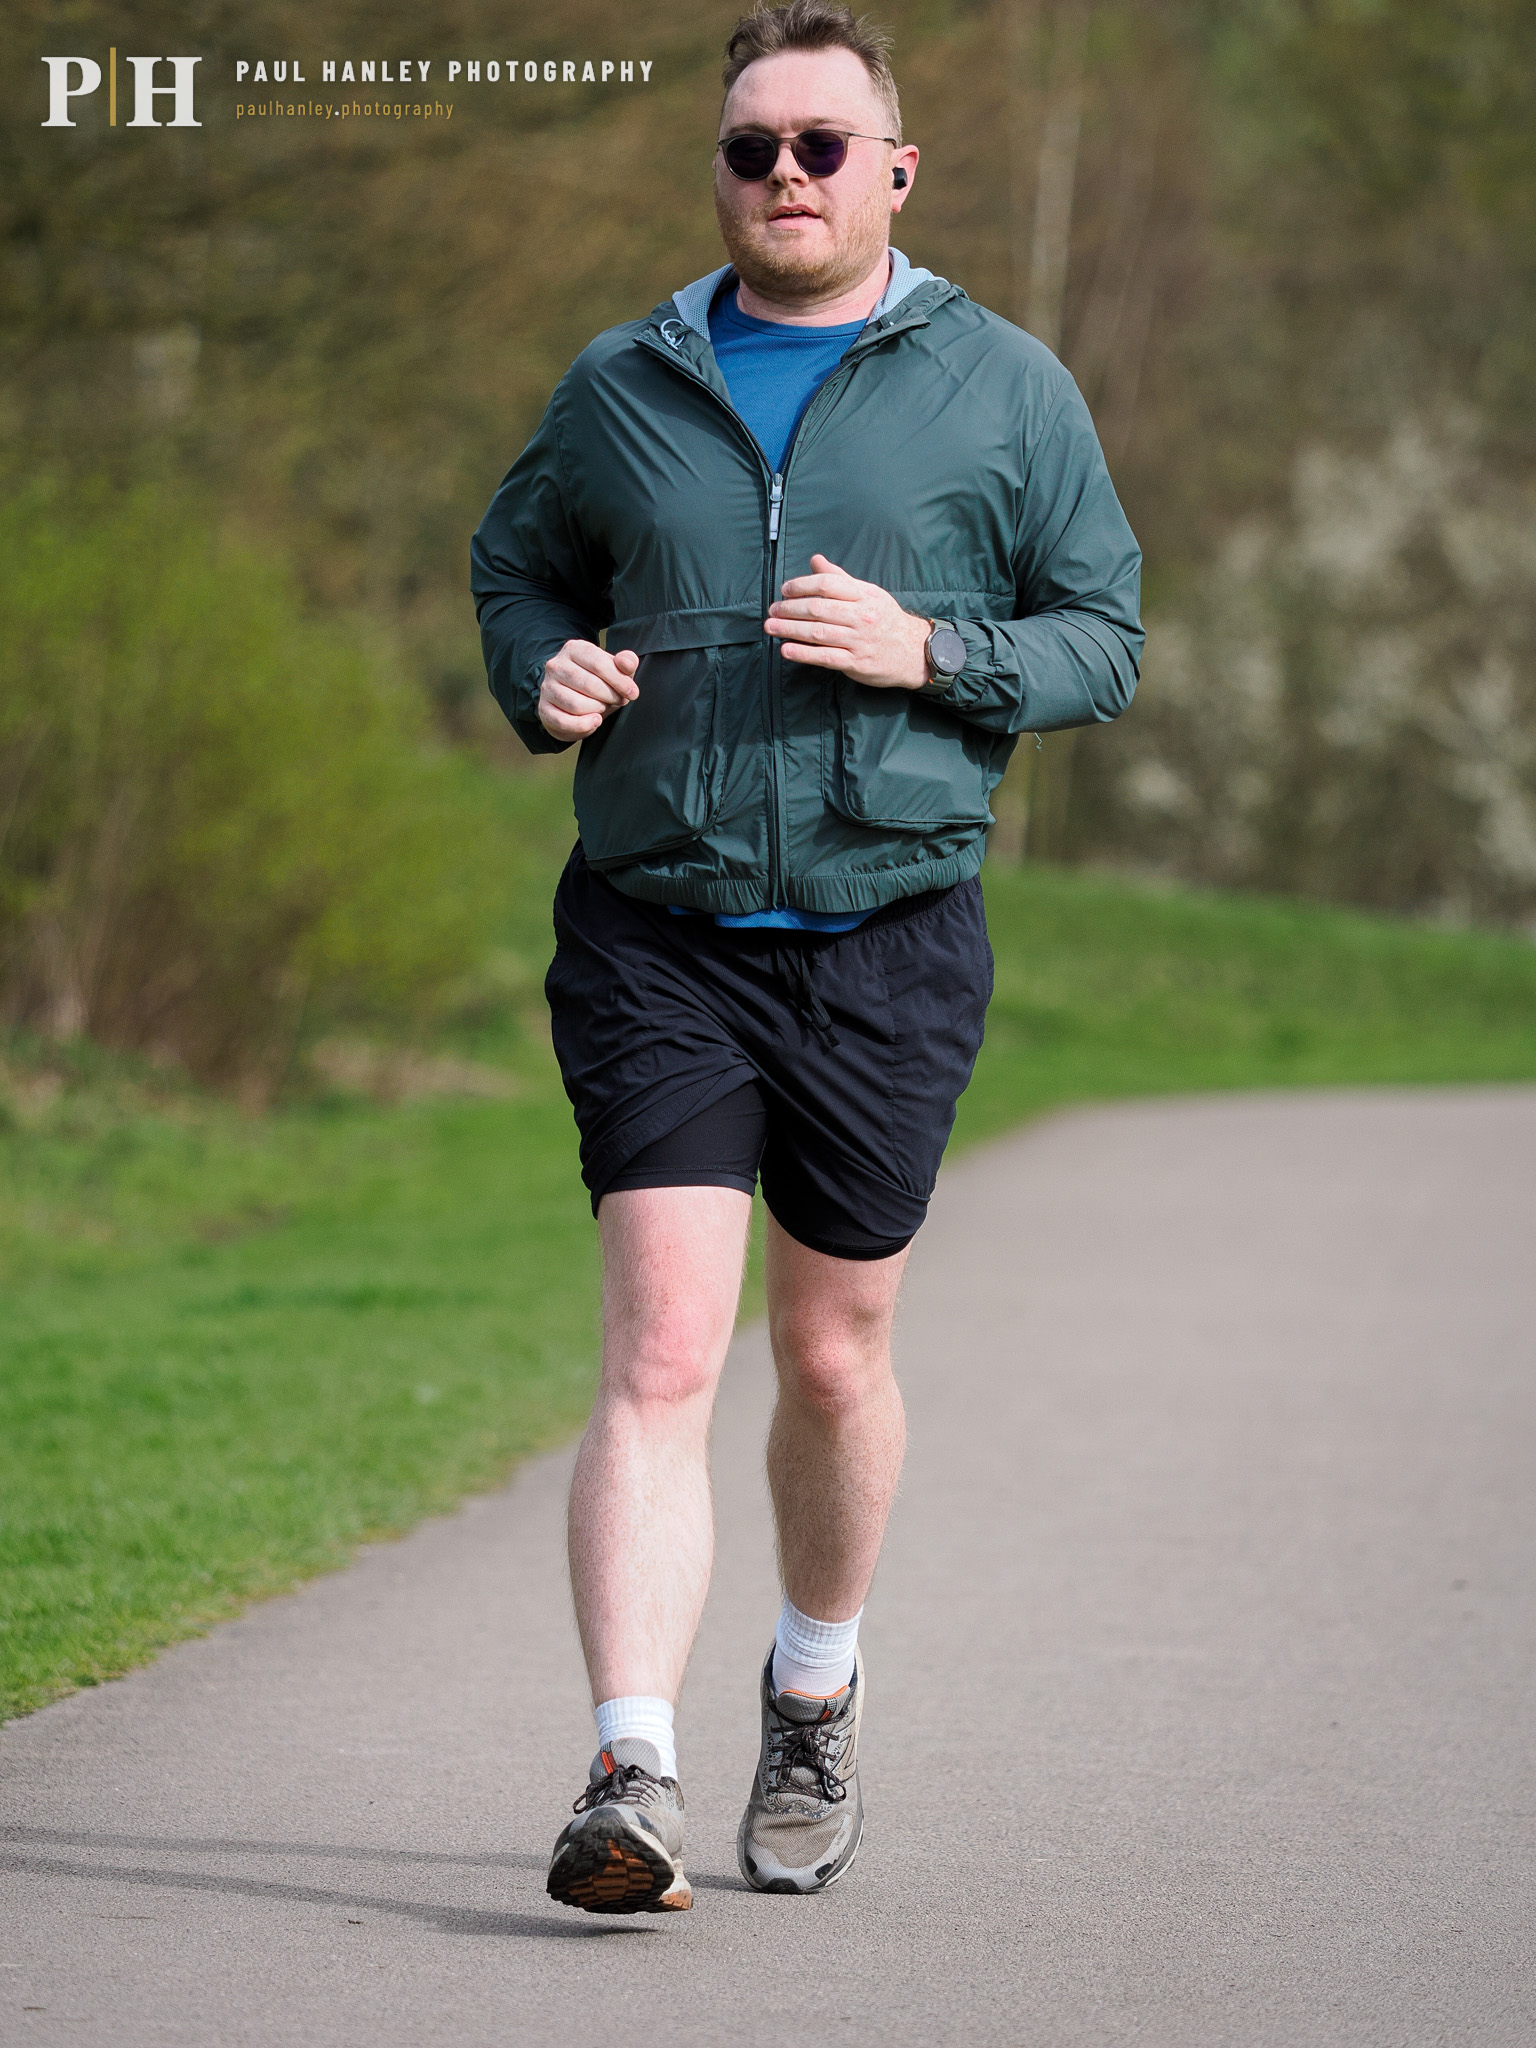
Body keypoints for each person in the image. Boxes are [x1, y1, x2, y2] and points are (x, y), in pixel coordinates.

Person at [470, 0, 1142, 1914]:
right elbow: (515, 564)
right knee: (666, 1346)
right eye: (751, 147)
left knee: (834, 1355)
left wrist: (939, 654)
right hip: (658, 929)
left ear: (894, 171)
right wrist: (547, 671)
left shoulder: (1006, 388)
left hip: (888, 932)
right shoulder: (624, 380)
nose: (783, 175)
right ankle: (630, 1772)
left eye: (821, 147)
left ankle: (816, 1687)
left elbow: (1106, 632)